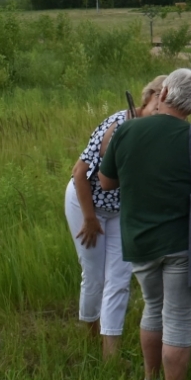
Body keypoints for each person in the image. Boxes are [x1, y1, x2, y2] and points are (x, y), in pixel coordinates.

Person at [99, 68, 191, 380]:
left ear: (165, 93)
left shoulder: (126, 130)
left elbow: (106, 182)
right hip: (184, 242)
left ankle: (150, 379)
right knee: (179, 320)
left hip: (139, 240)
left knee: (153, 308)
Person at [66, 76, 166, 359]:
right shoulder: (117, 126)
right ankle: (88, 336)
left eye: (171, 100)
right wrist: (89, 218)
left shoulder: (162, 132)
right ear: (149, 96)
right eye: (161, 96)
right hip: (86, 202)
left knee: (119, 280)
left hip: (122, 210)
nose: (164, 105)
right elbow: (79, 174)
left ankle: (111, 354)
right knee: (95, 275)